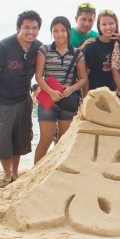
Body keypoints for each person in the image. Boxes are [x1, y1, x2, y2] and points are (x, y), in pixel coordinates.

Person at [0, 10, 42, 188]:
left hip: (23, 100)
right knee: (2, 139)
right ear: (19, 28)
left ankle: (15, 173)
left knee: (20, 138)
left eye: (34, 28)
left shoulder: (38, 48)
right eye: (26, 27)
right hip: (2, 101)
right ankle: (7, 173)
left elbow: (43, 74)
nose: (30, 32)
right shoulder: (3, 48)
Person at [34, 16, 88, 164]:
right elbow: (38, 76)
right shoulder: (44, 50)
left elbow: (83, 79)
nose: (59, 34)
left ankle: (55, 173)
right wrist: (51, 92)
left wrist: (71, 88)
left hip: (67, 100)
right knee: (45, 140)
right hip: (47, 100)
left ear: (69, 31)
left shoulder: (77, 53)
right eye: (55, 31)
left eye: (63, 30)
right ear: (52, 33)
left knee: (62, 141)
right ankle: (35, 173)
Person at [83, 9, 120, 96]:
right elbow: (84, 77)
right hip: (94, 94)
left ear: (116, 24)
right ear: (99, 26)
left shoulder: (119, 44)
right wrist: (85, 98)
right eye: (104, 24)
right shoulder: (91, 47)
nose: (108, 27)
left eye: (111, 23)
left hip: (114, 95)